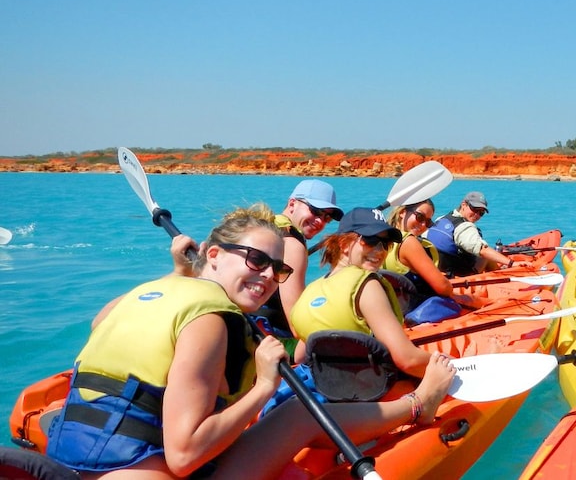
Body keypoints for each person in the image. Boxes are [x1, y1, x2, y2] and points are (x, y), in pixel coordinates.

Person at [45, 204, 455, 479]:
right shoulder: (209, 321)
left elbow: (106, 324)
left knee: (295, 412)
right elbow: (184, 456)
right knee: (297, 413)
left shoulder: (143, 292)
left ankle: (413, 405)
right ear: (214, 254)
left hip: (74, 451)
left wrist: (181, 272)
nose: (266, 277)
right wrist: (263, 387)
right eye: (255, 260)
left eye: (277, 269)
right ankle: (417, 405)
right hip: (142, 466)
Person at [290, 207, 435, 378]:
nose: (380, 250)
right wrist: (447, 362)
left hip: (328, 384)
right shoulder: (366, 285)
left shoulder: (311, 290)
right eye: (371, 240)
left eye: (386, 244)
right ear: (344, 244)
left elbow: (300, 355)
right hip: (367, 387)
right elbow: (407, 360)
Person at [249, 179, 343, 354]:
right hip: (272, 340)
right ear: (292, 203)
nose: (320, 221)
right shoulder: (293, 245)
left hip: (247, 327)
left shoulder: (264, 227)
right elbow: (296, 320)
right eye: (315, 211)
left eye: (327, 217)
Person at [425, 191, 527, 277]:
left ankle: (498, 270)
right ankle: (500, 273)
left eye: (481, 213)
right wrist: (511, 263)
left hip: (437, 269)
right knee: (485, 256)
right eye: (475, 209)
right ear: (464, 205)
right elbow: (482, 250)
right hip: (459, 274)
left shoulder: (442, 219)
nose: (477, 215)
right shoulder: (465, 227)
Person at [382, 199, 453, 310]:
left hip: (391, 306)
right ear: (402, 212)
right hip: (415, 308)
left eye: (428, 222)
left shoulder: (382, 237)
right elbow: (443, 287)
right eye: (420, 217)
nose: (423, 225)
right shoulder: (408, 242)